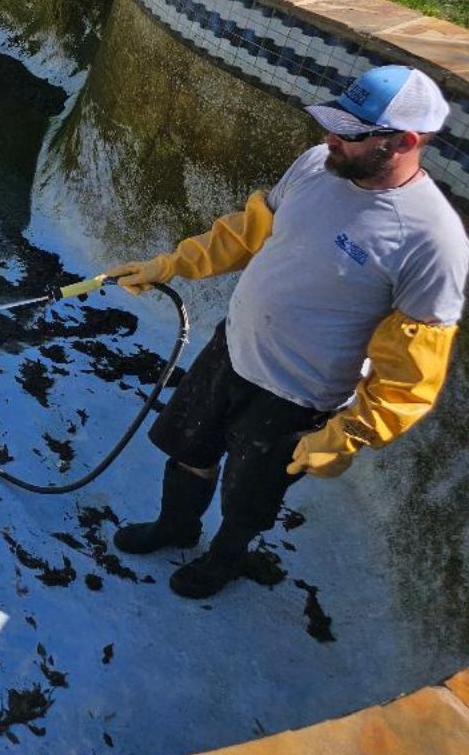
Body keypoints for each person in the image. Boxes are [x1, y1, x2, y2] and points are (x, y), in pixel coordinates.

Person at [101, 65, 468, 599]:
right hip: (233, 348)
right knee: (188, 449)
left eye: (349, 133)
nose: (329, 139)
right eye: (332, 124)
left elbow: (412, 371)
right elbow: (248, 232)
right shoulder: (319, 166)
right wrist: (171, 263)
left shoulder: (432, 242)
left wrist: (349, 434)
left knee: (249, 496)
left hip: (297, 395)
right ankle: (175, 527)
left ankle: (224, 560)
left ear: (406, 142)